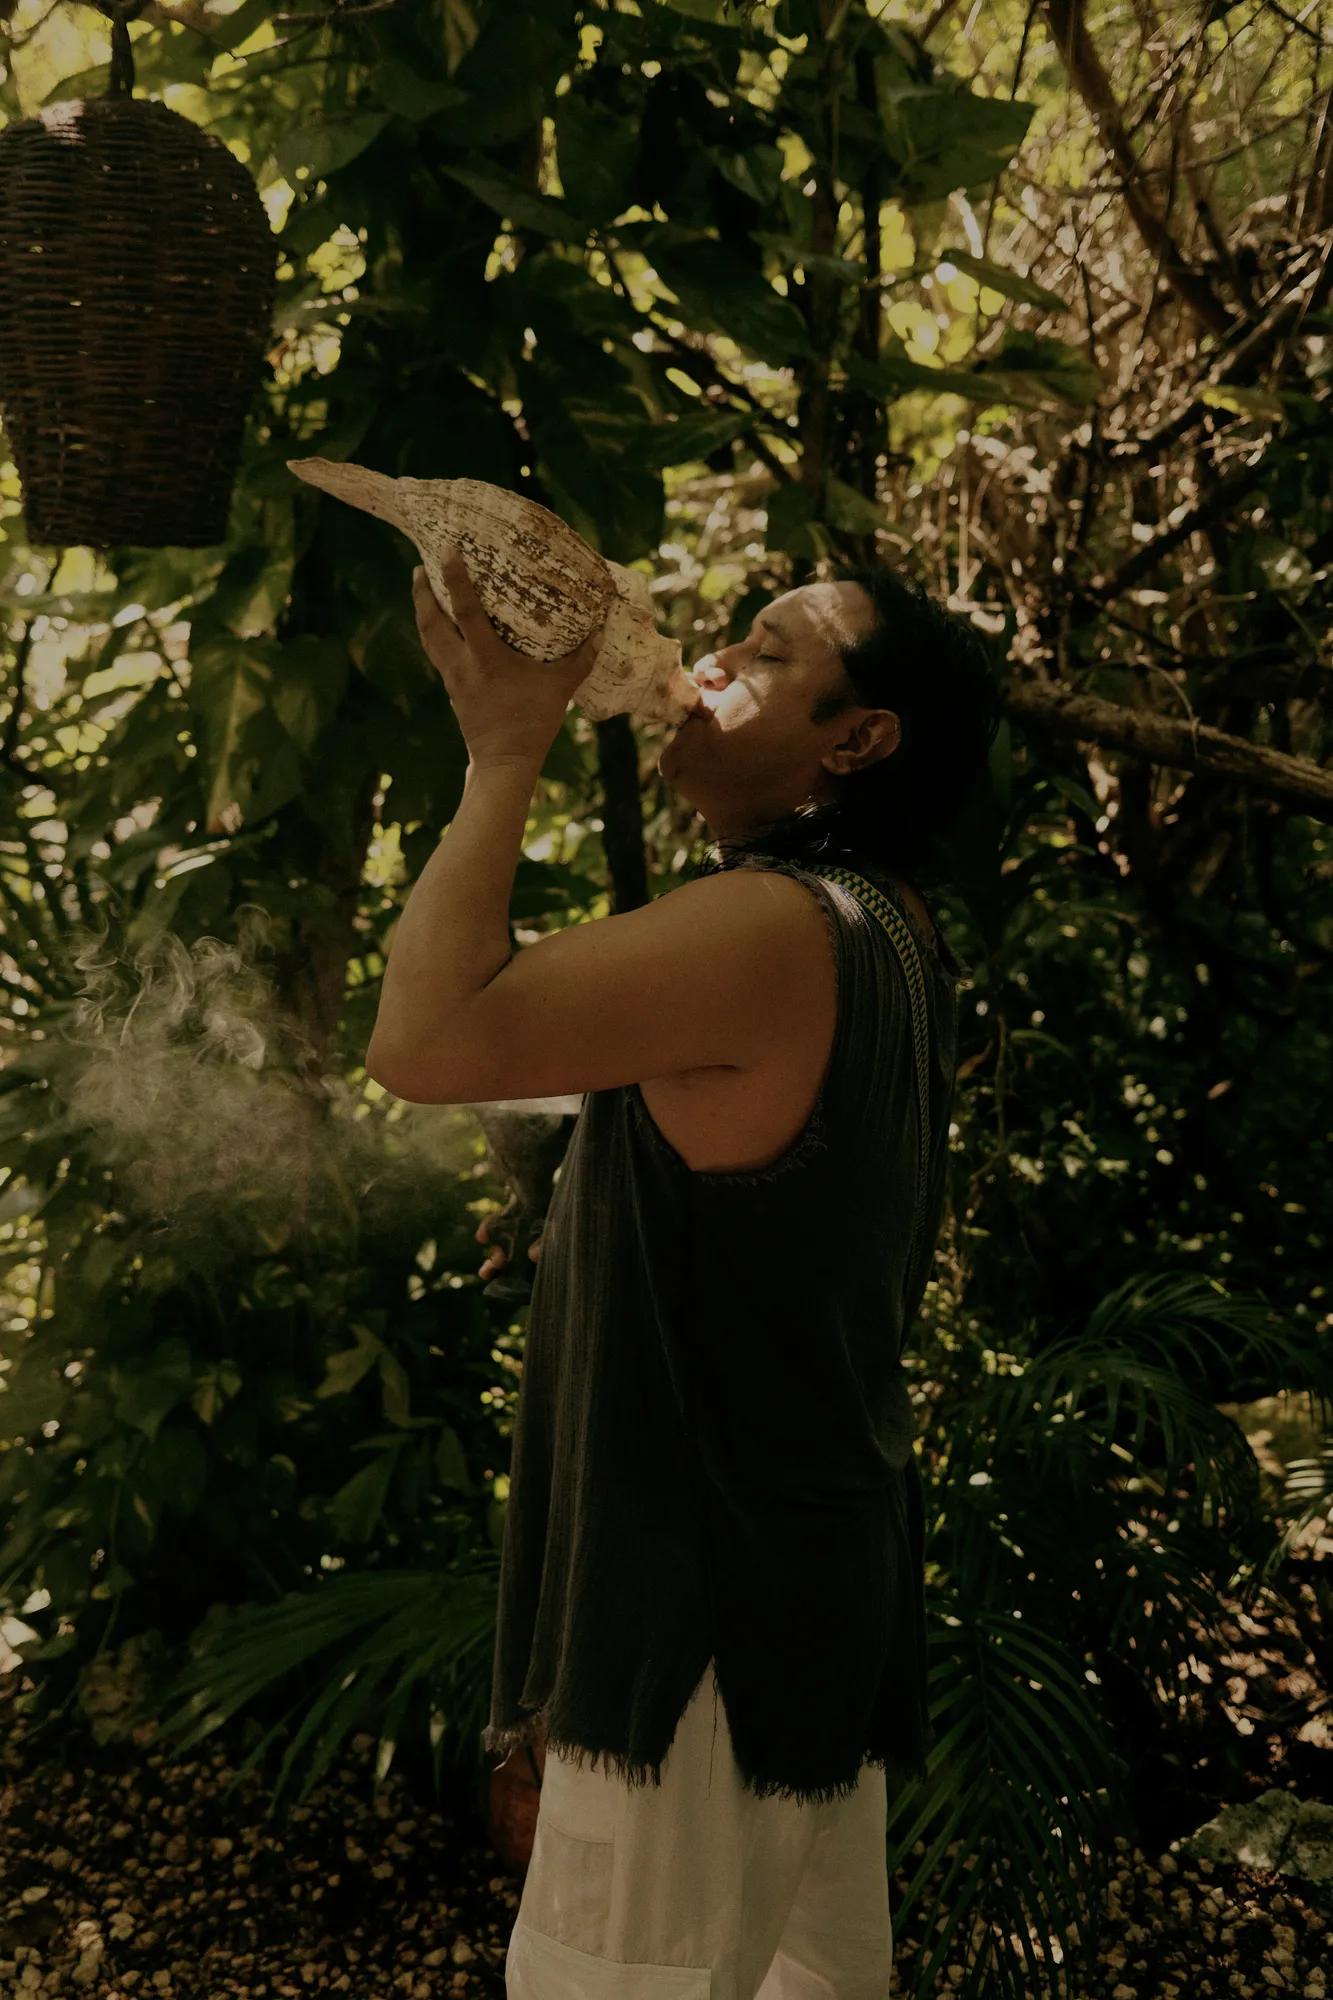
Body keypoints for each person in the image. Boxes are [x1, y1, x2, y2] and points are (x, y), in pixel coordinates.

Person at [480, 558, 1003, 1999]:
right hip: (802, 1585)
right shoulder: (882, 924)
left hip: (699, 1617)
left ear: (857, 737)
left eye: (762, 653)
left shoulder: (777, 927)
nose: (706, 665)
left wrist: (507, 742)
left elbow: (422, 1037)